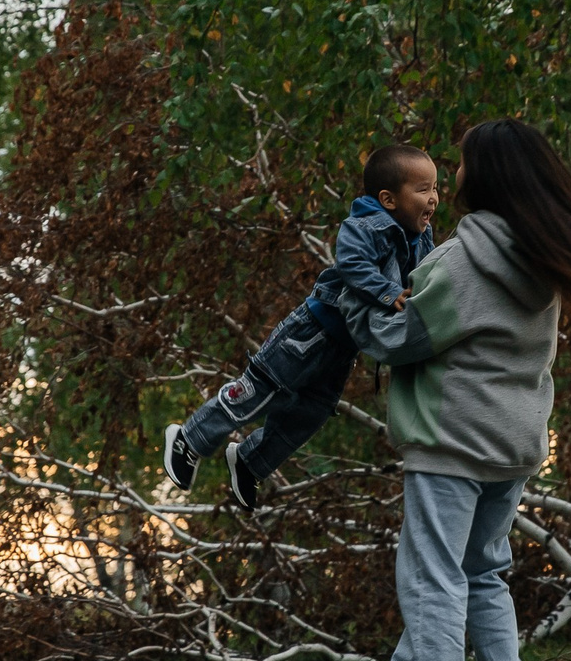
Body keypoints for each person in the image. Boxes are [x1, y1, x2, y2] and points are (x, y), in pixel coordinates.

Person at [346, 119, 571, 661]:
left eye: (458, 163)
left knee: (433, 573)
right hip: (512, 442)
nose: (450, 176)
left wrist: (351, 299)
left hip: (451, 440)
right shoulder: (538, 255)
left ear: (484, 175)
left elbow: (396, 340)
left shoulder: (462, 261)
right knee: (484, 573)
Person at [163, 144, 441, 509]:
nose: (434, 198)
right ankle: (190, 437)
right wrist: (388, 293)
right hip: (309, 332)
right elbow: (352, 263)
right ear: (388, 199)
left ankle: (251, 460)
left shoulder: (421, 236)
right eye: (423, 190)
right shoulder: (366, 225)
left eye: (436, 188)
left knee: (310, 414)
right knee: (261, 391)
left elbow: (423, 276)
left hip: (342, 349)